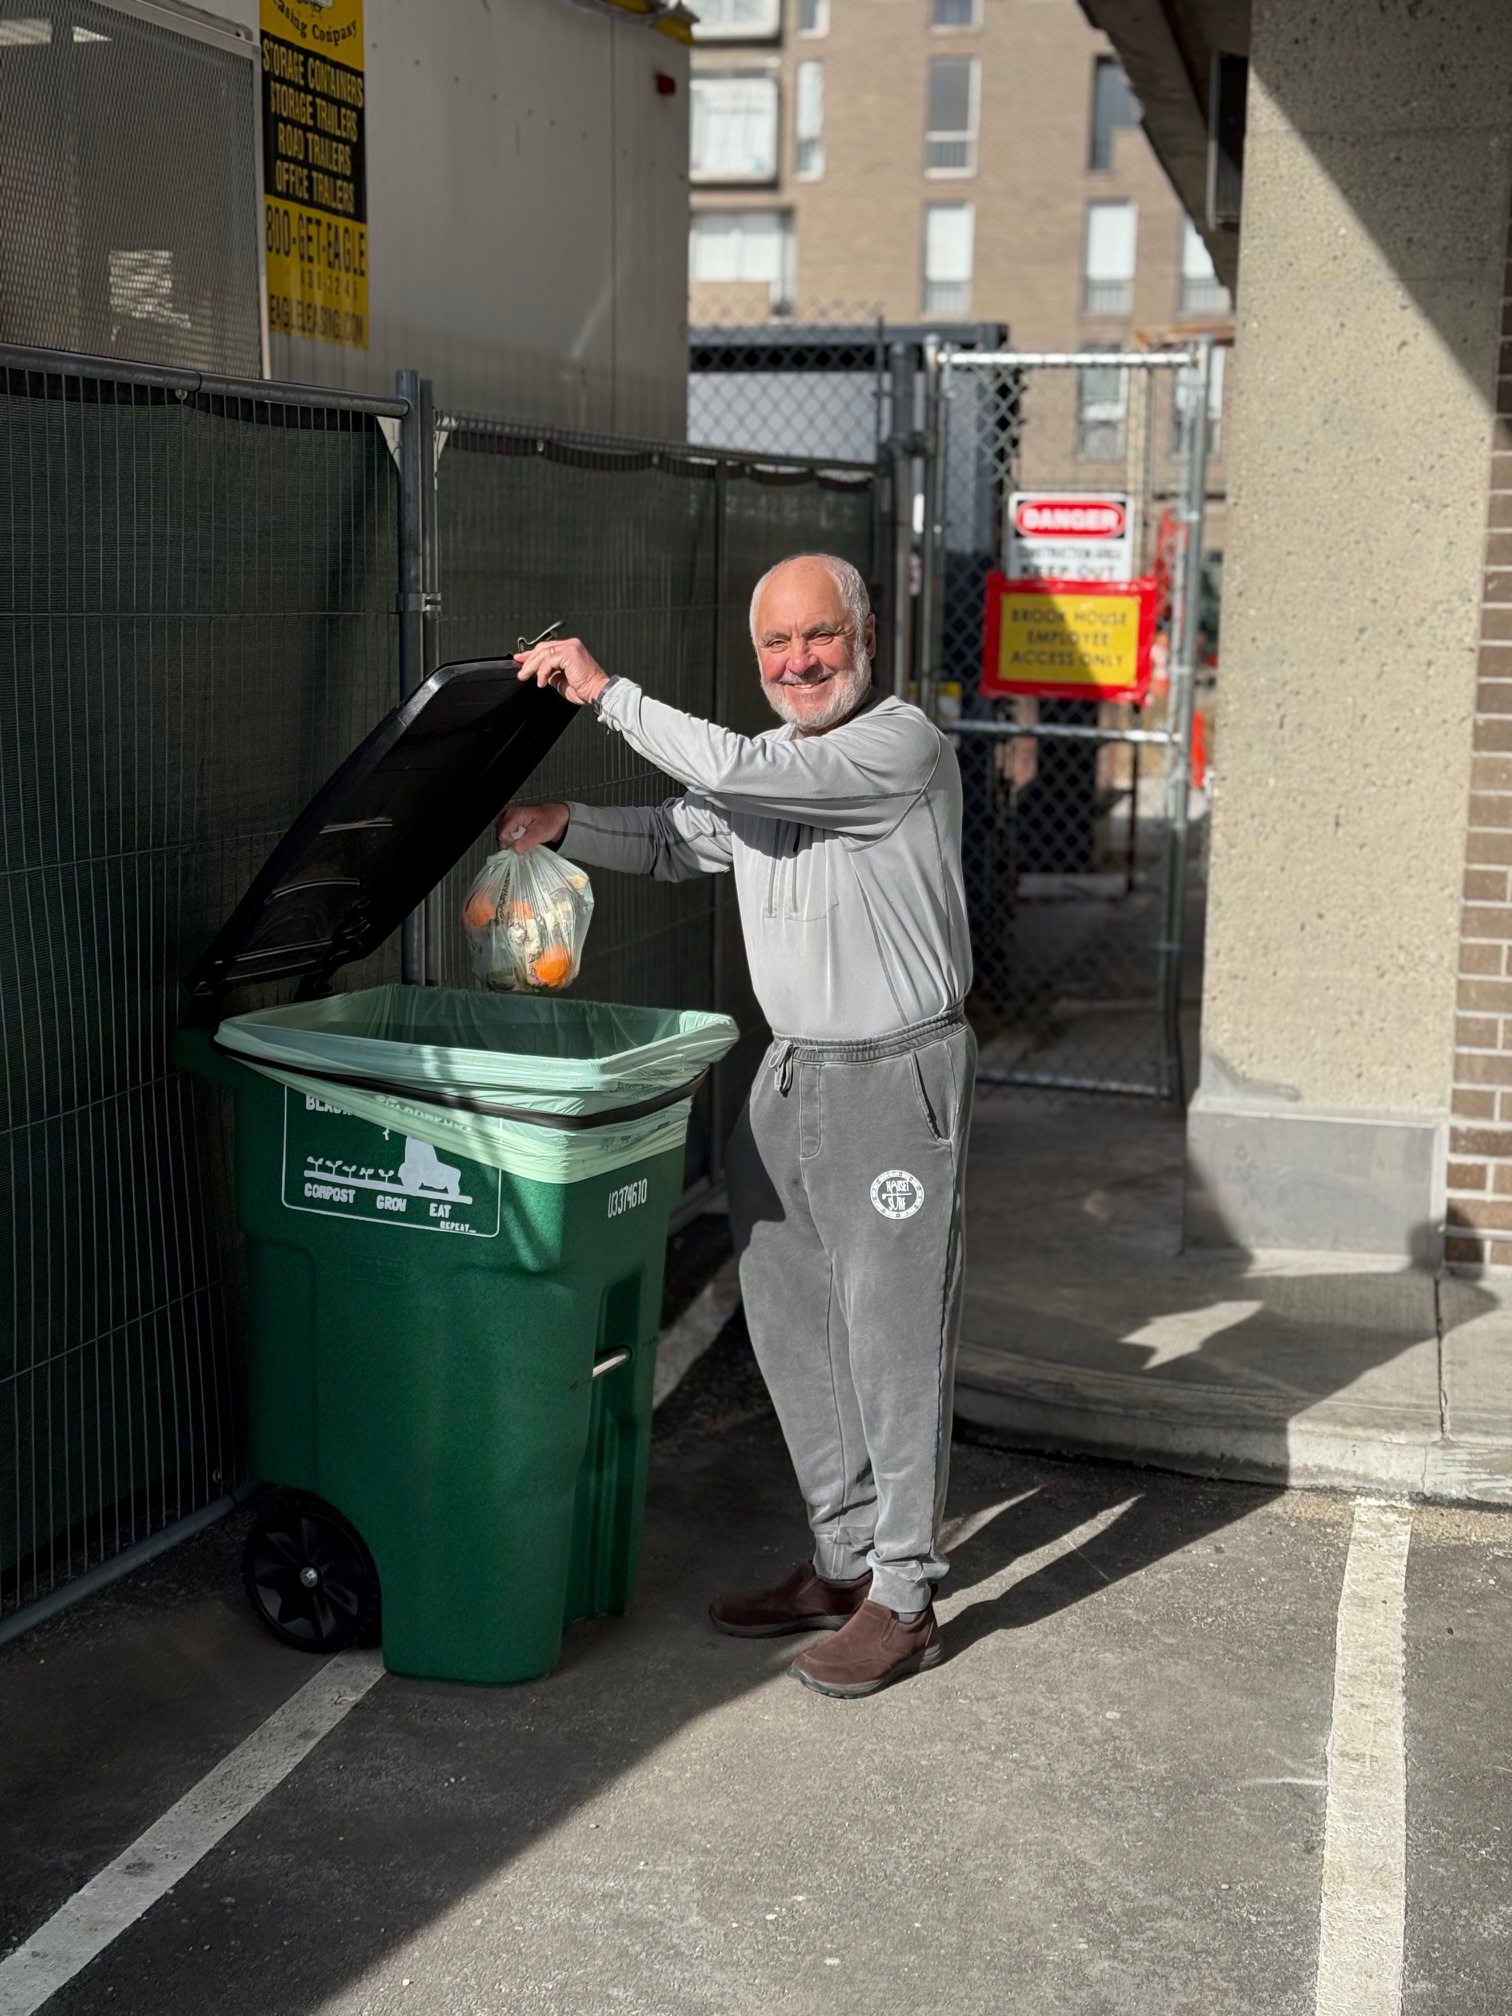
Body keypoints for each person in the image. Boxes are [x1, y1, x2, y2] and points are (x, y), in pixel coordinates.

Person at [502, 553, 974, 1698]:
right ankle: (843, 1557)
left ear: (863, 635)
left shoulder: (895, 746)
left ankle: (904, 1595)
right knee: (787, 1318)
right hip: (794, 1071)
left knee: (894, 1336)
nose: (799, 661)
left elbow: (738, 770)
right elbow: (680, 836)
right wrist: (563, 823)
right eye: (776, 645)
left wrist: (606, 695)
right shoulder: (774, 773)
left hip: (893, 1078)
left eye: (819, 637)